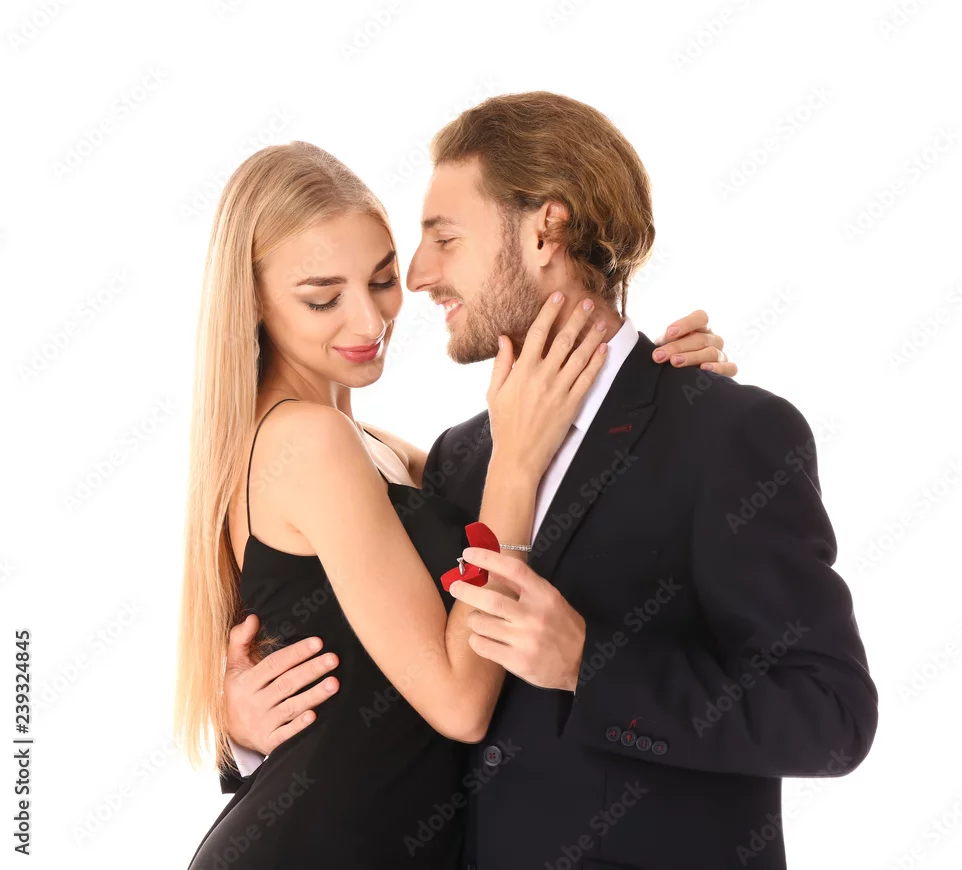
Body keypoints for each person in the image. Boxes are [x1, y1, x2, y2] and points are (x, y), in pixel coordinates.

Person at [224, 92, 878, 870]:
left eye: (443, 237)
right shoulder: (463, 460)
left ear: (546, 231)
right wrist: (241, 735)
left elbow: (831, 717)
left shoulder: (725, 434)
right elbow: (393, 682)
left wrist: (587, 665)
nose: (420, 275)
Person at [176, 135, 733, 869]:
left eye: (381, 280)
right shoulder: (307, 442)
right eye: (322, 298)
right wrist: (517, 464)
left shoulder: (384, 449)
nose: (369, 321)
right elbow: (459, 705)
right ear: (252, 302)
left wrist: (655, 381)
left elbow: (557, 478)